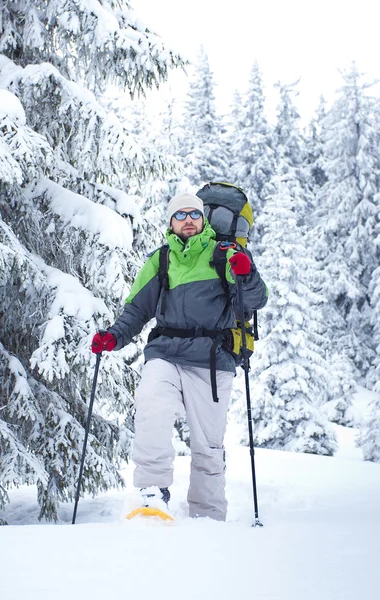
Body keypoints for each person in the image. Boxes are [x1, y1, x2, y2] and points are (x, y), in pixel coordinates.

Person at [91, 191, 268, 521]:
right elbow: (137, 311)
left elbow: (255, 300)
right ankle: (151, 493)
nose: (188, 220)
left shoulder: (224, 254)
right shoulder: (160, 260)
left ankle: (209, 514)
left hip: (212, 359)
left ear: (203, 221)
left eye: (194, 215)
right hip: (165, 353)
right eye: (180, 215)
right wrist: (113, 337)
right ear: (170, 223)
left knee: (208, 445)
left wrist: (245, 273)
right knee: (151, 407)